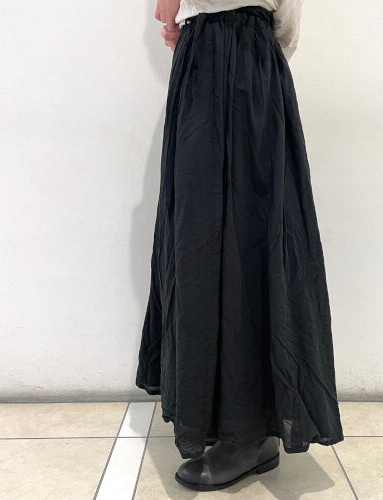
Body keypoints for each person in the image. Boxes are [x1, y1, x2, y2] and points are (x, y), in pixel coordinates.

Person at [136, 0, 344, 491]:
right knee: (203, 242)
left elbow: (281, 19)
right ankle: (241, 425)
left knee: (245, 241)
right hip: (217, 54)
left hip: (239, 54)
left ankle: (247, 432)